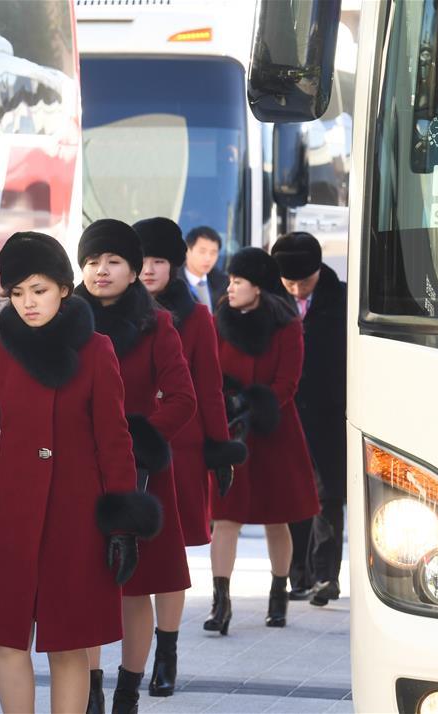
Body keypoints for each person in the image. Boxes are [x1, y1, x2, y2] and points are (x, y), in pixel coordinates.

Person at [0, 231, 162, 714]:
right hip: (11, 517)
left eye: (39, 290)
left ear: (64, 289)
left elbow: (114, 442)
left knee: (68, 643)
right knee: (7, 639)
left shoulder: (96, 351)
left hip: (76, 520)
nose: (28, 303)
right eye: (17, 293)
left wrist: (122, 524)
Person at [75, 218, 196, 714]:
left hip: (140, 476)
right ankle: (89, 692)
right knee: (83, 585)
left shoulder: (157, 324)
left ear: (133, 270)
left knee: (135, 587)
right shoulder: (65, 322)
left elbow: (183, 398)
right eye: (92, 261)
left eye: (113, 261)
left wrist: (136, 439)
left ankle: (127, 693)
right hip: (80, 472)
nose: (101, 270)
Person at [134, 217, 246, 697]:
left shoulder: (196, 317)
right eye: (142, 260)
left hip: (179, 449)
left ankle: (167, 651)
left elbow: (209, 387)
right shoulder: (108, 311)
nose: (148, 269)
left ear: (174, 265)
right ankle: (119, 664)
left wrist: (219, 450)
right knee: (126, 557)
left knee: (168, 559)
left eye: (158, 261)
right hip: (124, 448)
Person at [205, 247, 319, 634]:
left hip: (274, 433)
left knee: (276, 518)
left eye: (238, 281)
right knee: (224, 518)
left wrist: (255, 405)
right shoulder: (220, 320)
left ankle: (278, 592)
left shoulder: (286, 325)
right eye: (230, 280)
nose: (229, 287)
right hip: (231, 433)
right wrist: (227, 405)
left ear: (258, 286)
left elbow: (288, 382)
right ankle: (221, 602)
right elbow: (210, 371)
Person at [272, 232, 347, 606]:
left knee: (329, 495)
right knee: (291, 495)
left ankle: (325, 576)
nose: (298, 290)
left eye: (305, 282)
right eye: (290, 283)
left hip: (330, 413)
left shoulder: (343, 300)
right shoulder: (269, 303)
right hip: (284, 415)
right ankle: (296, 576)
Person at [183, 226, 229, 313]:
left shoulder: (225, 284)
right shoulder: (170, 283)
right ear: (187, 251)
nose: (208, 258)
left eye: (213, 253)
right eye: (202, 251)